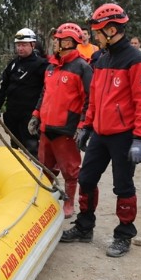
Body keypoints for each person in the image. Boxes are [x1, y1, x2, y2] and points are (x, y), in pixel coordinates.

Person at [60, 3, 141, 258]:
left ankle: (124, 234)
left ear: (111, 30)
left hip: (124, 136)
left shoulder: (137, 61)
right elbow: (94, 99)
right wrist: (87, 126)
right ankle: (84, 227)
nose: (93, 37)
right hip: (100, 134)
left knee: (123, 186)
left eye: (97, 32)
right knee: (87, 179)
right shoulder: (102, 59)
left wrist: (138, 139)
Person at [29, 23, 92, 217]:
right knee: (45, 168)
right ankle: (47, 200)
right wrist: (36, 115)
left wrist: (82, 126)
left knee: (70, 170)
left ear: (68, 42)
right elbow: (44, 93)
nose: (54, 43)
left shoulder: (82, 67)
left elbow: (89, 99)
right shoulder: (51, 66)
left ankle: (69, 202)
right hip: (46, 127)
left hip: (66, 129)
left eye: (57, 40)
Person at [0, 28, 47, 154]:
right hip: (13, 113)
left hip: (30, 115)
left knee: (31, 147)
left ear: (32, 45)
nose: (20, 48)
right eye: (18, 45)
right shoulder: (13, 64)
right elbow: (4, 85)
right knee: (15, 146)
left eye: (24, 45)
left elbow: (46, 91)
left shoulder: (41, 65)